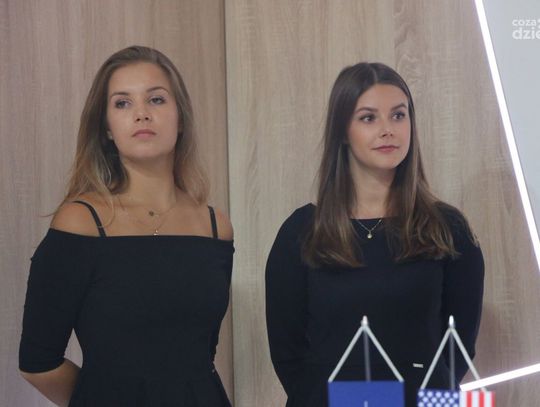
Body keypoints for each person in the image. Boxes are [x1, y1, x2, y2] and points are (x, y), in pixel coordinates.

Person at [19, 45, 234, 407]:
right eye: (122, 103)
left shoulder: (215, 227)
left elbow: (200, 353)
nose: (141, 113)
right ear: (106, 128)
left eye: (156, 99)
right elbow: (38, 363)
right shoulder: (81, 222)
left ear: (180, 118)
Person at [265, 62, 484, 407]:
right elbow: (288, 353)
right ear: (342, 131)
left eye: (398, 116)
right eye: (368, 118)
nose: (388, 130)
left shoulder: (448, 228)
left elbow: (458, 348)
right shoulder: (302, 231)